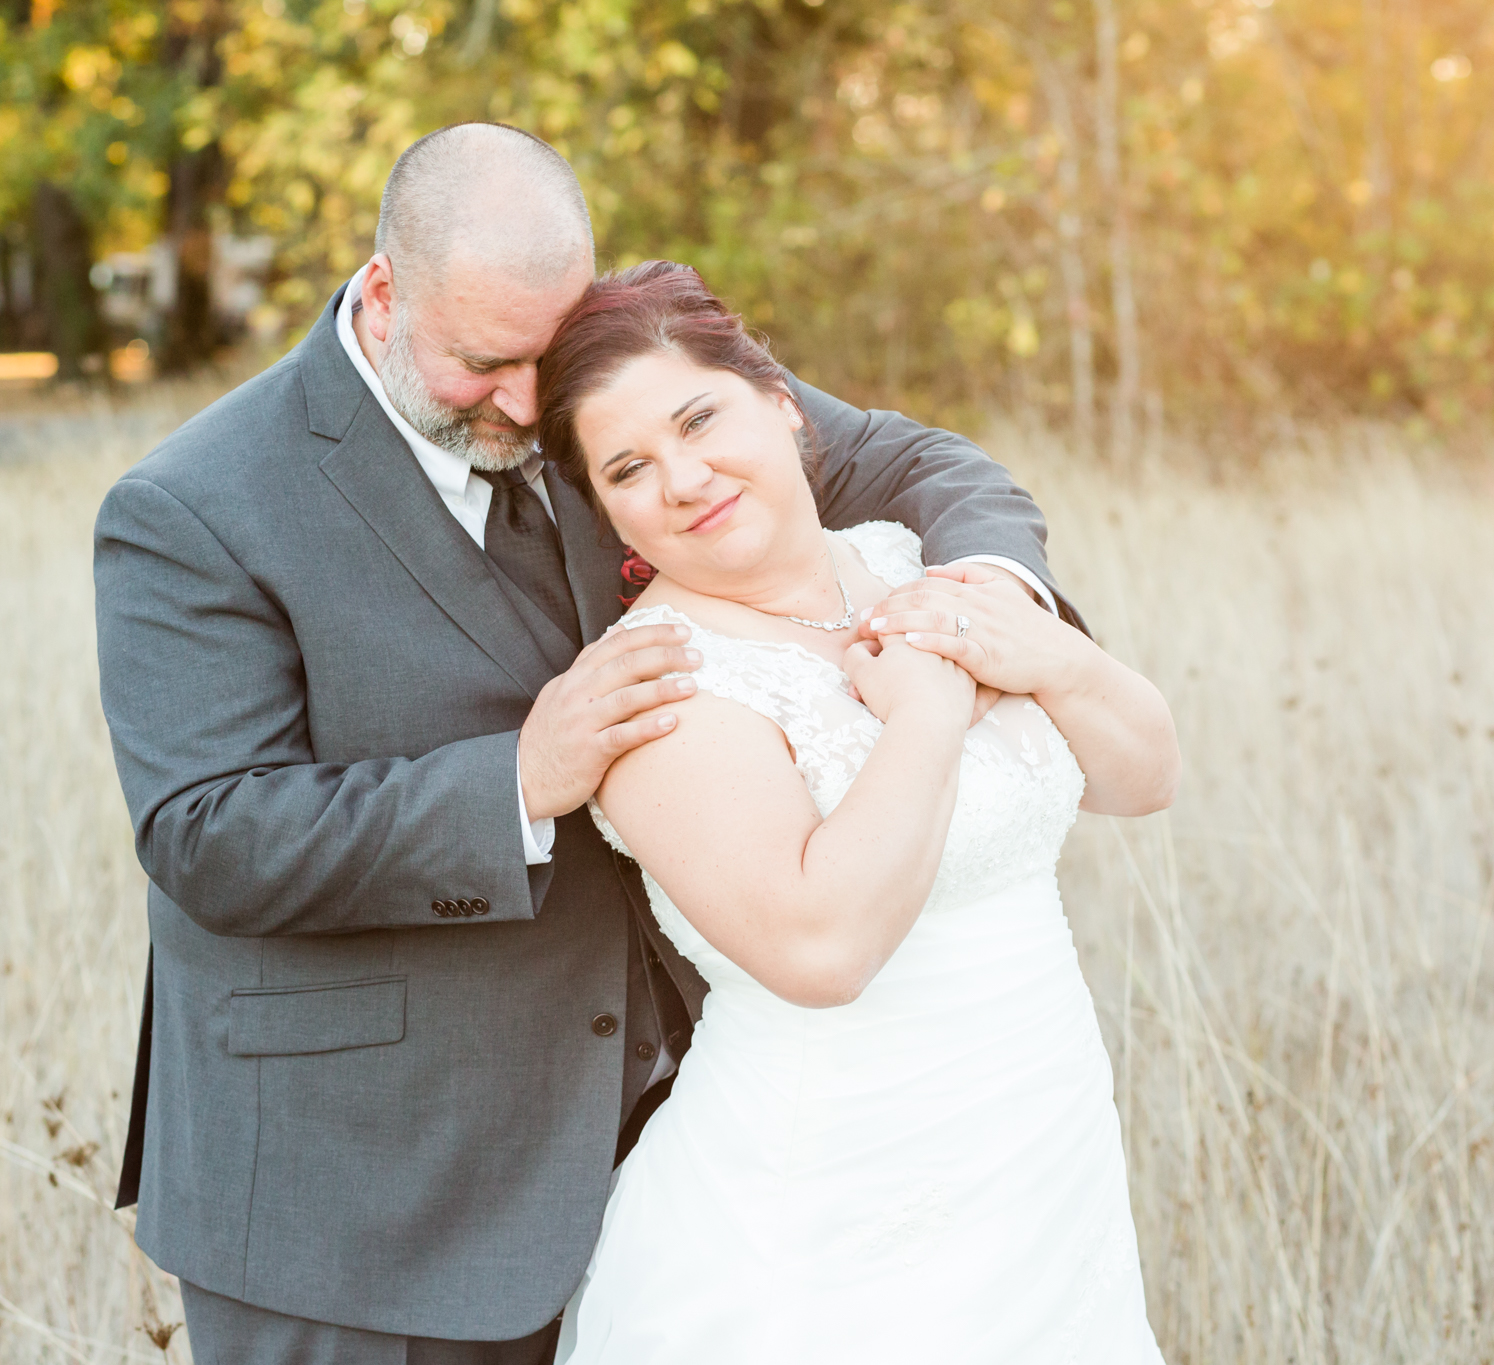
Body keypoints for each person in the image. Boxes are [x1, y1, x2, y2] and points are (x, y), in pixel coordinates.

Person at [93, 122, 1082, 1364]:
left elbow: (910, 458)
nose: (525, 405)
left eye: (544, 355)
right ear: (386, 292)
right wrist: (515, 780)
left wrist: (991, 596)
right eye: (483, 364)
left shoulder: (610, 369)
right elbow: (208, 834)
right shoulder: (193, 507)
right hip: (359, 1204)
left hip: (673, 1164)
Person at [531, 260, 1179, 1362]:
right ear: (610, 515)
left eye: (700, 420)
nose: (683, 478)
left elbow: (1140, 775)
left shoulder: (909, 567)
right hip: (821, 1214)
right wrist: (925, 717)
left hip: (1040, 1162)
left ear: (781, 405)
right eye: (631, 468)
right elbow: (819, 949)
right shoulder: (661, 684)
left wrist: (1045, 654)